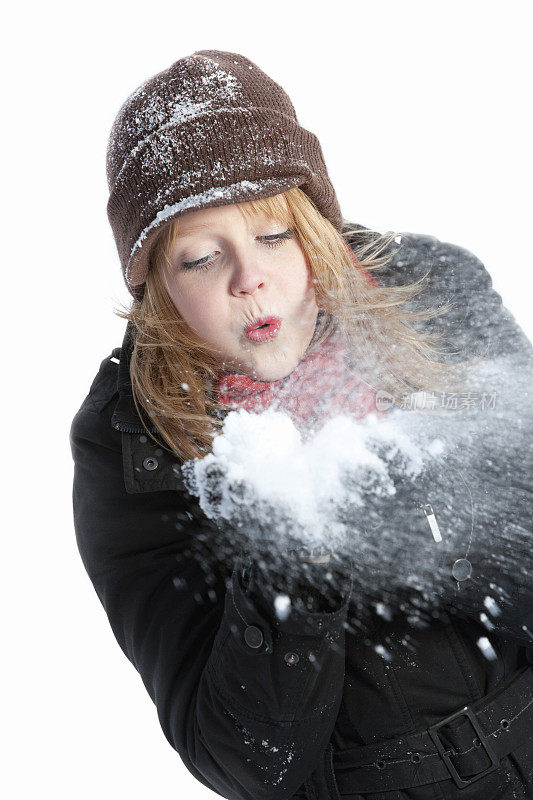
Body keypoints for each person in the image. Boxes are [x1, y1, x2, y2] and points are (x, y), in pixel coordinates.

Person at [70, 50, 533, 799]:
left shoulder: (432, 290)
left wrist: (441, 516)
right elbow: (244, 764)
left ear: (313, 223)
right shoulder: (128, 441)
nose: (248, 278)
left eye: (272, 236)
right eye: (198, 257)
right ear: (156, 283)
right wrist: (291, 570)